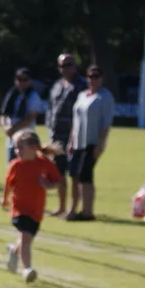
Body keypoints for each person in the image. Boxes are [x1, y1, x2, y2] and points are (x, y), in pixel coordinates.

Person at [2, 131, 61, 283]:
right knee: (26, 237)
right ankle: (27, 269)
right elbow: (8, 184)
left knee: (25, 240)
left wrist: (47, 185)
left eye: (21, 148)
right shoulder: (15, 165)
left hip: (36, 210)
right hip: (19, 209)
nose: (17, 151)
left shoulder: (44, 164)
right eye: (16, 148)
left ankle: (14, 250)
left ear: (34, 148)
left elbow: (57, 181)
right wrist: (4, 199)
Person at [67, 64, 115, 220]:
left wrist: (101, 144)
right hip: (78, 141)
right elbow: (76, 120)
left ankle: (88, 211)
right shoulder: (82, 95)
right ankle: (74, 208)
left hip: (92, 141)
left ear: (101, 79)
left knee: (85, 174)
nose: (93, 80)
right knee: (75, 174)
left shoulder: (105, 96)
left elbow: (106, 123)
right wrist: (71, 141)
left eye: (96, 77)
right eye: (90, 76)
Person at [46, 54, 87, 216]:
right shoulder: (56, 85)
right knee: (58, 172)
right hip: (56, 136)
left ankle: (73, 209)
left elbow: (81, 113)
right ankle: (61, 207)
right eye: (63, 65)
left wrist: (74, 134)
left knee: (74, 174)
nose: (66, 68)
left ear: (75, 65)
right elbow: (50, 108)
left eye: (69, 64)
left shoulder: (81, 86)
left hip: (73, 137)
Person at [0, 67, 42, 163]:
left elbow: (30, 118)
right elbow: (3, 114)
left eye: (25, 79)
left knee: (24, 166)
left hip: (25, 139)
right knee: (11, 165)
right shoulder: (12, 94)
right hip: (11, 138)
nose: (21, 82)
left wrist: (12, 129)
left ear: (30, 81)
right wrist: (6, 127)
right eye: (19, 79)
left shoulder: (33, 96)